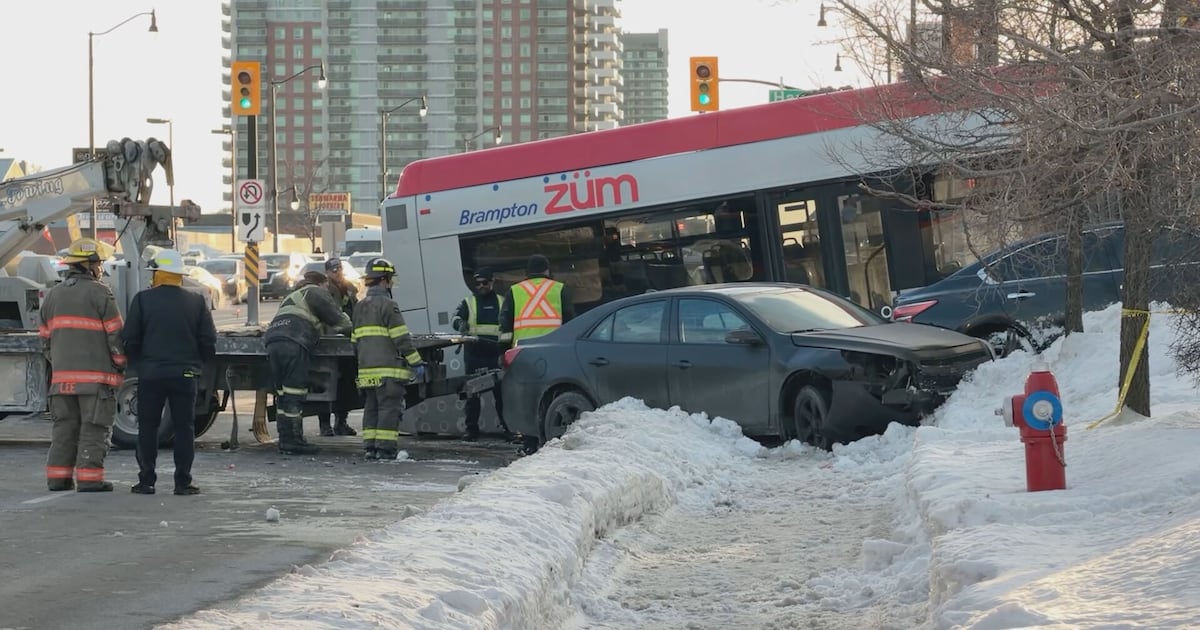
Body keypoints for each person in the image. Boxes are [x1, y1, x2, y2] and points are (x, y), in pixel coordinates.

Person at [122, 249, 217, 496]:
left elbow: (130, 338)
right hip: (185, 374)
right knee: (185, 427)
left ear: (159, 275)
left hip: (151, 373)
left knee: (148, 427)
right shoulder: (196, 302)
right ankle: (182, 482)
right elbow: (208, 340)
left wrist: (140, 363)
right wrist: (198, 365)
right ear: (178, 275)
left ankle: (146, 481)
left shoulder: (142, 300)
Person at [38, 238, 125, 492]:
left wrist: (60, 364)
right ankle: (89, 480)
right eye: (98, 263)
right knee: (93, 428)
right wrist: (120, 365)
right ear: (89, 265)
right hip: (96, 382)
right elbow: (115, 336)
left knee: (64, 429)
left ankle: (58, 478)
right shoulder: (101, 293)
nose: (101, 269)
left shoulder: (53, 295)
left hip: (61, 381)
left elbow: (44, 339)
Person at [265, 270, 353, 455]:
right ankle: (294, 441)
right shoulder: (315, 292)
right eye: (327, 287)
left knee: (283, 393)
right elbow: (341, 322)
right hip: (294, 340)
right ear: (321, 284)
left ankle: (286, 439)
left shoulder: (294, 296)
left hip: (274, 340)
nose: (328, 291)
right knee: (295, 392)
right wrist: (359, 333)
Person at [352, 257, 426, 460]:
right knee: (388, 409)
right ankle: (385, 448)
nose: (391, 283)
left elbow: (354, 341)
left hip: (366, 372)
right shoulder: (388, 305)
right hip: (388, 371)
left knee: (371, 408)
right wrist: (416, 362)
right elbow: (401, 338)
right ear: (384, 280)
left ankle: (370, 448)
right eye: (390, 279)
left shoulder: (359, 306)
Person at [451, 268, 509, 441]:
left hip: (495, 355)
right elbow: (454, 318)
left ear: (492, 282)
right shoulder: (469, 302)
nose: (481, 286)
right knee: (472, 395)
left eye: (485, 282)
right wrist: (460, 323)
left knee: (501, 396)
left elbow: (507, 327)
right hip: (474, 355)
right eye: (478, 283)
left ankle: (508, 428)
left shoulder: (501, 301)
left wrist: (504, 351)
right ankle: (471, 430)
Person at [317, 257, 360, 437]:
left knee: (346, 384)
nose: (337, 272)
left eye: (339, 269)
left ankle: (341, 422)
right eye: (333, 270)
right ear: (327, 272)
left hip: (347, 342)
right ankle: (325, 425)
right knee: (325, 385)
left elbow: (356, 310)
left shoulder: (349, 289)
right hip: (328, 342)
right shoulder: (324, 291)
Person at [498, 254, 575, 347]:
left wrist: (503, 351)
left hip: (522, 350)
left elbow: (506, 326)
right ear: (547, 270)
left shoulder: (514, 291)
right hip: (553, 347)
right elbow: (570, 322)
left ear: (527, 271)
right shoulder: (559, 289)